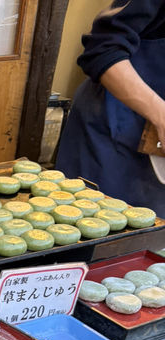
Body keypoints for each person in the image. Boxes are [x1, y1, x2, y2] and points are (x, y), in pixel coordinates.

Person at [55, 0, 165, 216]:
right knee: (87, 223)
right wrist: (161, 115)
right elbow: (103, 48)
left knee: (149, 231)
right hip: (112, 135)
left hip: (157, 157)